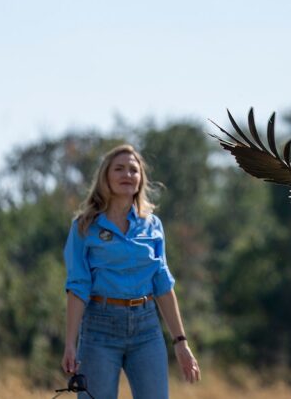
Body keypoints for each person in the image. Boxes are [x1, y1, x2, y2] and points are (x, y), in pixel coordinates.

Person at [60, 144, 201, 399]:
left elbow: (163, 283)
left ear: (140, 180)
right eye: (119, 169)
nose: (127, 174)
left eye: (133, 170)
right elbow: (78, 286)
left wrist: (181, 342)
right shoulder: (84, 227)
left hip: (146, 328)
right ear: (106, 177)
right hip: (99, 329)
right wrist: (70, 343)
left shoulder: (153, 225)